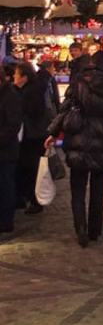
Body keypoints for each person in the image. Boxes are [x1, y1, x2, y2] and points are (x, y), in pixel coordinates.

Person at [45, 52, 103, 247]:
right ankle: (95, 229)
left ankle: (81, 229)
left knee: (78, 188)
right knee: (98, 187)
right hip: (102, 138)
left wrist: (53, 133)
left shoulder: (79, 80)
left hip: (79, 137)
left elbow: (65, 109)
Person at [13, 62, 48, 214]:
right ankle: (25, 197)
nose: (14, 77)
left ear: (24, 77)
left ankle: (35, 200)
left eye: (16, 74)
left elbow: (28, 111)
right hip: (30, 135)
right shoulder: (23, 90)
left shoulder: (31, 92)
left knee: (32, 169)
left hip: (32, 136)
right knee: (26, 168)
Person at [0, 66, 22, 234]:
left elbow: (12, 126)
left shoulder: (10, 96)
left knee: (5, 185)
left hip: (5, 151)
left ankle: (6, 221)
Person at [37, 59, 61, 128]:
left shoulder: (37, 77)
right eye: (53, 67)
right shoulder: (50, 79)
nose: (54, 69)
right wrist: (58, 108)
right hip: (49, 107)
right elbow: (55, 95)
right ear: (48, 69)